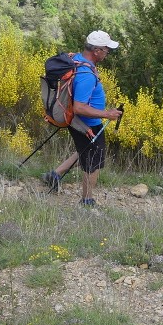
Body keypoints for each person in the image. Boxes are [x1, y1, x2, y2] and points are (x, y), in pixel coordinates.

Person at [42, 30, 122, 206]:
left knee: (85, 151)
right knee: (92, 162)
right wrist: (107, 114)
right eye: (106, 49)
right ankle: (87, 201)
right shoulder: (86, 75)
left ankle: (54, 175)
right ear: (96, 50)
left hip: (80, 122)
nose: (108, 53)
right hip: (88, 124)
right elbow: (79, 107)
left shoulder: (78, 60)